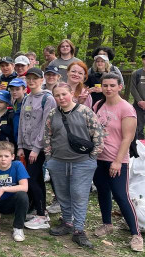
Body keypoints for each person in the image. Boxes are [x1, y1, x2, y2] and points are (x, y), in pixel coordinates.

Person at [43, 83, 104, 248]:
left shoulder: (85, 112)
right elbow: (47, 136)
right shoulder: (52, 114)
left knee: (78, 194)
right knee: (62, 194)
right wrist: (49, 158)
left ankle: (79, 230)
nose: (61, 98)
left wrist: (92, 157)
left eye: (64, 94)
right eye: (57, 95)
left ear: (71, 93)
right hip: (58, 162)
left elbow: (97, 134)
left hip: (82, 162)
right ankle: (67, 222)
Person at [92, 73, 143, 252]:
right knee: (103, 191)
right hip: (99, 158)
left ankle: (136, 234)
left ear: (120, 86)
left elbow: (127, 138)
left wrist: (117, 161)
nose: (108, 88)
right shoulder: (98, 104)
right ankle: (107, 223)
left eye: (112, 85)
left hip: (117, 159)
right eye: (105, 85)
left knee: (121, 195)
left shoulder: (127, 109)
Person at [17, 68, 56, 230]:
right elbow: (21, 123)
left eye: (35, 78)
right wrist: (20, 145)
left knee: (33, 179)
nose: (31, 81)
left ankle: (42, 215)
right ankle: (39, 209)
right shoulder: (26, 98)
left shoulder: (48, 99)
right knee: (35, 178)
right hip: (25, 146)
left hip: (37, 148)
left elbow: (46, 125)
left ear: (42, 80)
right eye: (29, 78)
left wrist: (36, 148)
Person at [7, 78, 27, 144]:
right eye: (12, 90)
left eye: (17, 89)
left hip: (26, 141)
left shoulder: (29, 103)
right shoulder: (14, 103)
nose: (14, 92)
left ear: (24, 90)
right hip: (16, 139)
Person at [131, 52, 145, 141]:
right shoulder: (136, 73)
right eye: (144, 59)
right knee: (138, 127)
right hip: (138, 105)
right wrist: (140, 101)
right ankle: (140, 149)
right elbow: (133, 88)